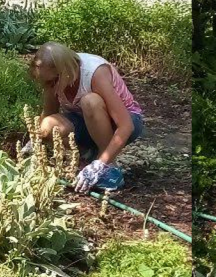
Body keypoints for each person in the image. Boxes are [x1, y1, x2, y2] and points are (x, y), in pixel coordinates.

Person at [26, 43, 144, 193]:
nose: (48, 86)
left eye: (51, 82)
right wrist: (35, 139)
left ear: (66, 72)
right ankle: (88, 155)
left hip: (125, 120)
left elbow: (126, 126)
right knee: (47, 126)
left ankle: (108, 167)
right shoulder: (53, 80)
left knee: (90, 101)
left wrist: (100, 164)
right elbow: (49, 114)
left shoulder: (95, 73)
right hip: (86, 121)